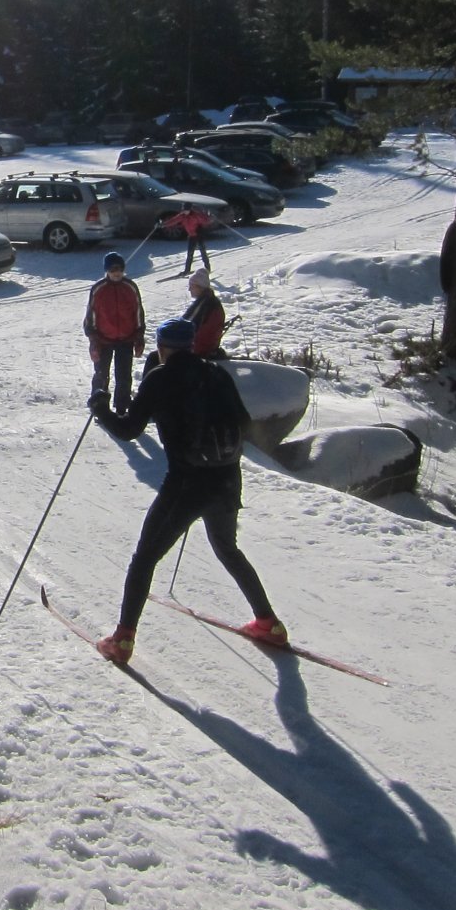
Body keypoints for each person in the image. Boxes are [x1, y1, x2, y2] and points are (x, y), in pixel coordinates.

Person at [89, 318, 283, 665]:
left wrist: (101, 408)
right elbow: (244, 422)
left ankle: (122, 640)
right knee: (227, 549)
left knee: (144, 558)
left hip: (186, 484)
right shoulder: (217, 374)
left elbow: (130, 429)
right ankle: (268, 623)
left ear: (163, 348)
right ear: (191, 345)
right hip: (226, 478)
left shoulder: (160, 378)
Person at [84, 251, 145, 412]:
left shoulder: (130, 287)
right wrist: (93, 340)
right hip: (103, 339)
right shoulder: (98, 289)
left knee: (124, 375)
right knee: (101, 374)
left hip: (126, 339)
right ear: (106, 271)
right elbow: (91, 316)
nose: (116, 273)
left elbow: (138, 312)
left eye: (119, 269)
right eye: (112, 270)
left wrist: (139, 337)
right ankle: (99, 406)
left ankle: (122, 405)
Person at [182, 268, 227, 358]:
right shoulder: (209, 300)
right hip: (206, 346)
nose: (189, 289)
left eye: (192, 286)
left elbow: (185, 325)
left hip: (199, 349)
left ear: (200, 287)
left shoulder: (204, 304)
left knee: (155, 357)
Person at [160, 202, 212, 276]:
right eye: (184, 210)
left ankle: (207, 269)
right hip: (192, 236)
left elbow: (205, 221)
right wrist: (163, 224)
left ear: (190, 209)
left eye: (186, 210)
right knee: (190, 254)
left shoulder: (195, 215)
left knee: (203, 252)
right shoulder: (182, 216)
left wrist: (209, 217)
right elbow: (173, 220)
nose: (185, 211)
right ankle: (187, 270)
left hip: (199, 235)